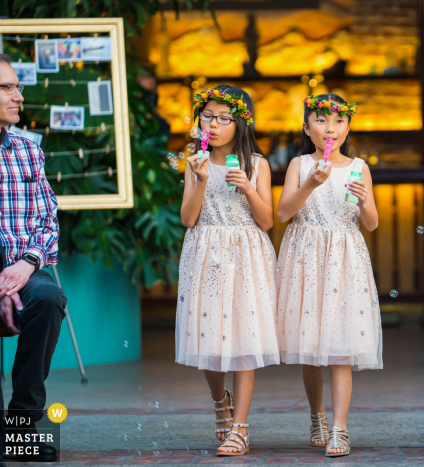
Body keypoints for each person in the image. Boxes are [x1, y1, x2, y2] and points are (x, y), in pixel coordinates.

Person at [175, 84, 279, 457]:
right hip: (206, 253)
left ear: (241, 122)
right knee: (210, 339)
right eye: (207, 116)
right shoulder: (193, 162)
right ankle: (220, 400)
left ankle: (240, 428)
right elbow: (188, 218)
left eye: (223, 118)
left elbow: (267, 222)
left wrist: (249, 189)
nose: (214, 124)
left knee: (243, 339)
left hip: (246, 254)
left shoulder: (256, 163)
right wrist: (201, 180)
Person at [275, 94, 381, 458]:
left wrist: (366, 201)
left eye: (337, 121)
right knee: (311, 351)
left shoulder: (359, 167)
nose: (329, 128)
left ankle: (340, 428)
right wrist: (310, 184)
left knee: (340, 348)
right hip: (306, 259)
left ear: (348, 127)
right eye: (320, 121)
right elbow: (283, 213)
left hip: (344, 260)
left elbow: (372, 223)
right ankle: (317, 414)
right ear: (307, 128)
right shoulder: (299, 165)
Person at [0, 54, 66, 465]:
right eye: (6, 87)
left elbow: (48, 220)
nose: (18, 96)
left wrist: (23, 268)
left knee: (49, 299)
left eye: (17, 86)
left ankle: (20, 428)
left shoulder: (26, 150)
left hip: (22, 267)